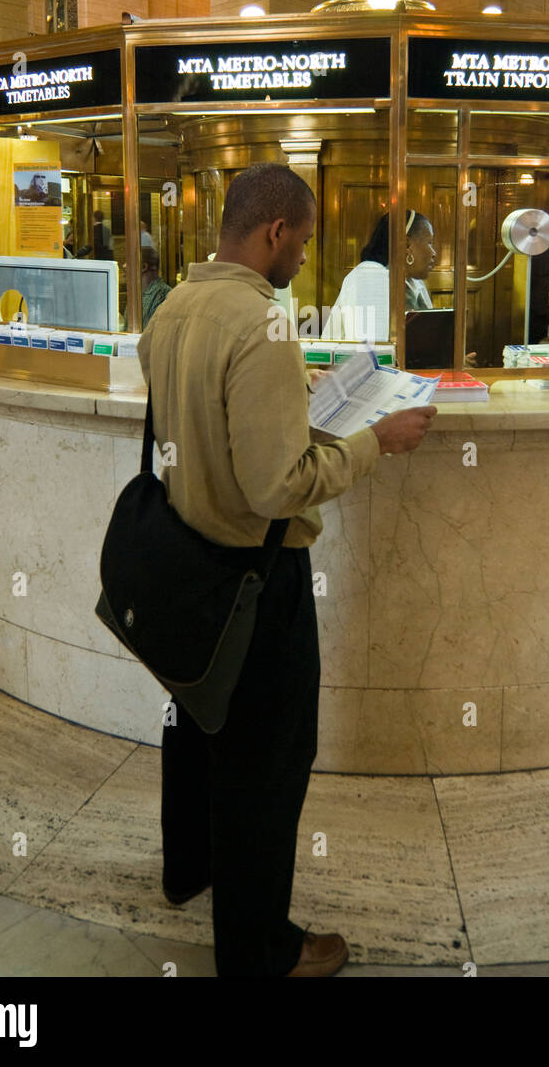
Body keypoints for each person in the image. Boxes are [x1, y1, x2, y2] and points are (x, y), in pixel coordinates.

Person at [136, 162, 435, 978]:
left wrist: (284, 399)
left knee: (197, 730)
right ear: (274, 233)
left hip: (183, 565)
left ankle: (187, 869)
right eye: (301, 241)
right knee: (268, 764)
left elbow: (201, 426)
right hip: (255, 582)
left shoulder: (172, 310)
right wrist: (379, 440)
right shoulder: (264, 324)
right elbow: (279, 486)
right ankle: (262, 947)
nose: (304, 256)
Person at [322, 209, 435, 342]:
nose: (434, 253)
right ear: (407, 244)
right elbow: (372, 354)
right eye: (430, 243)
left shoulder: (414, 283)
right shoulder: (369, 277)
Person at [140, 249, 170, 327]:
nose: (124, 265)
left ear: (144, 267)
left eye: (128, 261)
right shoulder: (138, 293)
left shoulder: (162, 294)